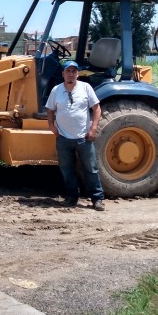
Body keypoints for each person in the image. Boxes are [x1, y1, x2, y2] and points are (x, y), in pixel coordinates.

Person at [45, 60, 105, 211]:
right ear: (63, 74)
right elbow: (50, 110)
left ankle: (97, 199)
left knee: (91, 169)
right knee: (67, 169)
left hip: (83, 138)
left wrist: (93, 128)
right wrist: (51, 126)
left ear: (78, 74)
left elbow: (97, 109)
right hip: (63, 138)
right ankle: (71, 197)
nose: (71, 74)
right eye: (68, 71)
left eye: (74, 71)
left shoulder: (86, 88)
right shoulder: (56, 90)